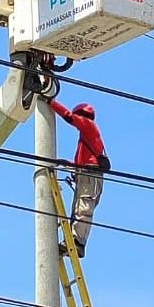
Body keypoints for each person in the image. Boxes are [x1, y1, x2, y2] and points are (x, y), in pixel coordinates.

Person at [44, 97, 107, 258]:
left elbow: (68, 117)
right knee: (80, 206)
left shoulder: (88, 125)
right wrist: (69, 164)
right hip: (86, 173)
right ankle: (74, 241)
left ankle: (77, 241)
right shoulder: (87, 136)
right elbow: (83, 160)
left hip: (90, 174)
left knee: (83, 206)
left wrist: (51, 102)